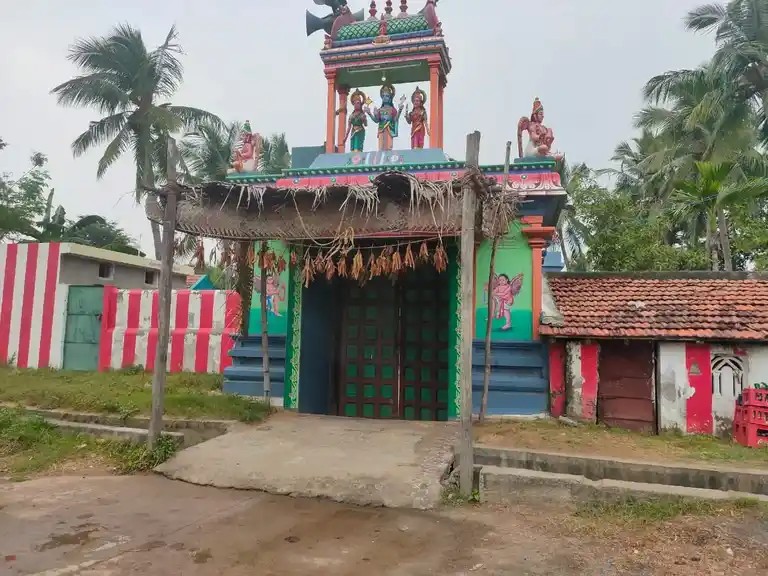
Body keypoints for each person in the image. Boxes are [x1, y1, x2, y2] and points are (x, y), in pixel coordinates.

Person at [365, 84, 405, 151]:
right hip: (381, 130)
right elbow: (376, 120)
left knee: (388, 147)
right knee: (381, 147)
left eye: (387, 96)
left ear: (390, 98)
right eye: (383, 96)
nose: (385, 98)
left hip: (389, 129)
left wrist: (400, 110)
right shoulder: (380, 110)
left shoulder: (392, 109)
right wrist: (369, 113)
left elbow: (395, 119)